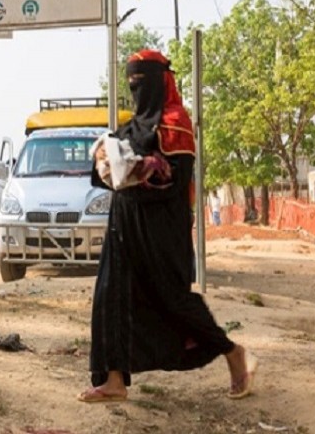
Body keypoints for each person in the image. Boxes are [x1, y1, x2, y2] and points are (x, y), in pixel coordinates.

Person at [79, 49, 256, 403]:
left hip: (161, 227)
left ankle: (233, 353)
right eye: (131, 81)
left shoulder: (175, 121)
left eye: (141, 81)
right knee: (111, 295)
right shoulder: (132, 125)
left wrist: (146, 170)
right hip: (123, 223)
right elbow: (109, 170)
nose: (135, 88)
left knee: (171, 298)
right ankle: (114, 380)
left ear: (161, 81)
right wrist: (104, 159)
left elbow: (176, 180)